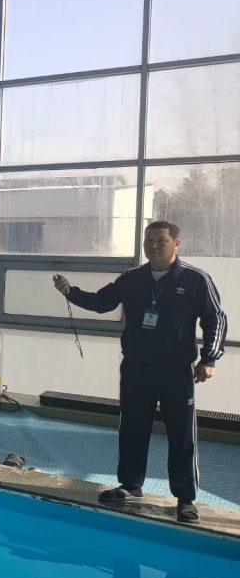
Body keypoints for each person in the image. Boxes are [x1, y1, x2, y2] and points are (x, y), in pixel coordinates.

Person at [53, 221, 226, 523]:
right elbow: (102, 302)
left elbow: (216, 319)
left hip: (176, 371)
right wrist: (71, 292)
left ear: (177, 243)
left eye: (161, 240)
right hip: (136, 369)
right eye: (149, 241)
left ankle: (185, 498)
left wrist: (209, 359)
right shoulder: (132, 278)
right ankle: (131, 485)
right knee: (132, 429)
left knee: (181, 435)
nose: (153, 246)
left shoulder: (196, 279)